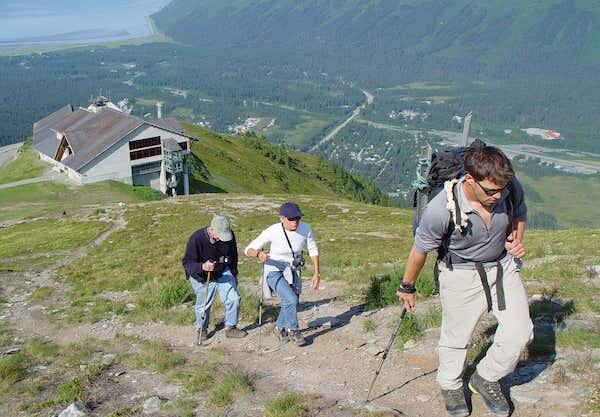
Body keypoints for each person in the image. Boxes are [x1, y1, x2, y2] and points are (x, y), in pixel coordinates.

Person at [396, 146, 533, 417]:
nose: (498, 195)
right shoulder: (441, 209)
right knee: (456, 337)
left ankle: (486, 377)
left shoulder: (509, 189)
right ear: (469, 179)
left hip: (502, 266)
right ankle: (450, 384)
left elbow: (519, 213)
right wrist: (407, 287)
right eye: (491, 191)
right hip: (460, 273)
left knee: (521, 332)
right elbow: (419, 251)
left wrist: (515, 240)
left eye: (501, 189)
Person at [245, 202, 320, 346]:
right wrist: (258, 254)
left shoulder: (305, 228)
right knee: (291, 299)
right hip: (274, 270)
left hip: (293, 268)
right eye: (291, 219)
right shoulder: (272, 231)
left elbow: (313, 249)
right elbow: (248, 249)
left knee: (291, 300)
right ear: (282, 218)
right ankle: (294, 330)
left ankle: (279, 328)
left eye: (298, 218)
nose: (295, 222)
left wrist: (317, 273)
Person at [182, 215, 247, 340]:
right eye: (220, 235)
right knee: (203, 305)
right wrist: (202, 266)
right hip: (202, 276)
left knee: (234, 299)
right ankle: (202, 329)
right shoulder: (196, 238)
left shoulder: (229, 236)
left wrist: (234, 273)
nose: (224, 239)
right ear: (211, 229)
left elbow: (233, 256)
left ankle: (231, 328)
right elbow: (187, 263)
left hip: (222, 271)